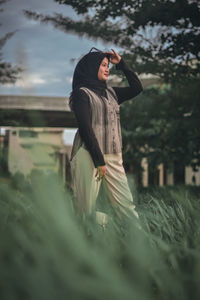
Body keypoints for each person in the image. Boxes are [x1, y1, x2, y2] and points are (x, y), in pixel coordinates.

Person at [69, 47, 143, 222]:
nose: (107, 68)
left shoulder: (112, 93)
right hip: (89, 155)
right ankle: (84, 242)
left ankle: (139, 242)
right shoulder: (82, 94)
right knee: (84, 210)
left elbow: (137, 88)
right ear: (91, 67)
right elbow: (86, 128)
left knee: (126, 207)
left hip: (114, 156)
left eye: (107, 65)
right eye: (103, 65)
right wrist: (99, 161)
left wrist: (122, 64)